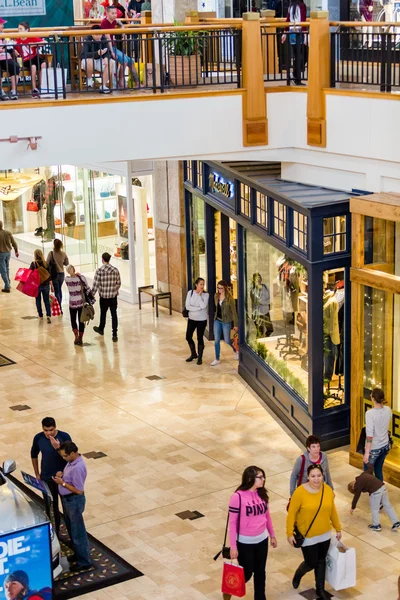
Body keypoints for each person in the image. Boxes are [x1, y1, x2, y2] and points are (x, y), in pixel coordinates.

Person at [287, 464, 341, 600]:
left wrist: (338, 528)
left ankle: (320, 589)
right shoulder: (299, 492)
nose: (316, 479)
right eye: (313, 476)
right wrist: (289, 533)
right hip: (308, 535)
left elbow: (332, 511)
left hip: (324, 533)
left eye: (319, 476)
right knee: (311, 562)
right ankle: (299, 574)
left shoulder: (327, 490)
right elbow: (291, 514)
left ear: (323, 476)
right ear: (308, 477)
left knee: (321, 561)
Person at [226, 466, 277, 600]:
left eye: (263, 477)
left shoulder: (262, 494)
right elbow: (232, 523)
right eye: (260, 477)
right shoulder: (237, 497)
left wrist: (272, 535)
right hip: (245, 542)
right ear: (250, 478)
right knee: (247, 572)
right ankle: (229, 587)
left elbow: (267, 516)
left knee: (260, 572)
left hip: (262, 540)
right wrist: (233, 546)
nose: (263, 479)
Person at [53, 441, 92, 571]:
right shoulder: (71, 462)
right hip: (67, 501)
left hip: (74, 501)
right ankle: (78, 554)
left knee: (78, 532)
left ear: (73, 453)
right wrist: (62, 475)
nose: (63, 458)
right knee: (71, 529)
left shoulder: (78, 467)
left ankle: (84, 561)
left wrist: (62, 483)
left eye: (65, 456)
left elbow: (79, 490)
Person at [31, 416, 72, 536]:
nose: (49, 433)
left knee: (66, 506)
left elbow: (70, 456)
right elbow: (34, 454)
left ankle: (71, 533)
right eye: (46, 430)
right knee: (50, 507)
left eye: (51, 430)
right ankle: (54, 533)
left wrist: (57, 447)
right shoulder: (38, 438)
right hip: (47, 477)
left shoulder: (64, 437)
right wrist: (37, 473)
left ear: (55, 427)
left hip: (63, 478)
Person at [349, 465, 400, 532]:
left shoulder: (357, 485)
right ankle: (396, 522)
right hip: (383, 488)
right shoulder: (363, 474)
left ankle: (376, 525)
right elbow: (371, 468)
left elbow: (356, 496)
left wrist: (353, 507)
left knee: (374, 509)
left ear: (353, 487)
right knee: (388, 506)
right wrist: (367, 462)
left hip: (376, 492)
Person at [101, 7, 139, 88]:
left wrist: (122, 28)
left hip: (113, 46)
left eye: (115, 13)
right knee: (124, 61)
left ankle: (137, 83)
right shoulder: (104, 22)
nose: (115, 15)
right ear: (107, 14)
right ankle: (121, 81)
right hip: (107, 48)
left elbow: (119, 22)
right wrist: (112, 52)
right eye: (113, 13)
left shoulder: (113, 21)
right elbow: (107, 39)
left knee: (130, 61)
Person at [364, 387, 392, 481]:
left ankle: (374, 493)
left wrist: (367, 452)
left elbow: (369, 435)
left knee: (368, 474)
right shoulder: (388, 410)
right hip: (385, 445)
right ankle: (380, 492)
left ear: (373, 398)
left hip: (374, 448)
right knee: (378, 470)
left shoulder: (370, 414)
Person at [93, 251, 121, 342]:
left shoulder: (99, 271)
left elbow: (95, 285)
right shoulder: (115, 270)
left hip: (103, 297)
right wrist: (114, 289)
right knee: (114, 315)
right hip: (113, 297)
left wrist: (91, 296)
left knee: (103, 313)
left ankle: (101, 329)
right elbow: (119, 283)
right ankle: (115, 334)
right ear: (109, 259)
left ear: (102, 259)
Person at [15, 22, 47, 98]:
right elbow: (14, 49)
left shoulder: (31, 37)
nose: (19, 30)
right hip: (26, 59)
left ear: (27, 30)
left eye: (21, 29)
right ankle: (34, 88)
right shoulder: (18, 40)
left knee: (43, 64)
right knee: (33, 67)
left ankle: (42, 87)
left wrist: (35, 45)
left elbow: (45, 42)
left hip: (34, 56)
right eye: (18, 29)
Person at [211, 280, 238, 366]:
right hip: (217, 320)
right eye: (218, 288)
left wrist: (236, 325)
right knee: (216, 340)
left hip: (226, 321)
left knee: (227, 340)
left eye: (221, 288)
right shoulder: (216, 296)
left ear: (225, 288)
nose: (219, 290)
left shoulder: (230, 299)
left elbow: (234, 312)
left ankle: (236, 350)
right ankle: (217, 358)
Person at [80, 24, 115, 94]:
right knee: (90, 61)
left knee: (111, 62)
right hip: (89, 60)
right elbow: (83, 54)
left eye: (100, 34)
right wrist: (97, 53)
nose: (99, 36)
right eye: (96, 35)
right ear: (92, 34)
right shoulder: (87, 40)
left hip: (100, 60)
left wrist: (106, 57)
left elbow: (108, 51)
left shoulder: (103, 39)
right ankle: (89, 79)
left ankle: (103, 85)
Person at [281, 0, 307, 86]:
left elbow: (288, 20)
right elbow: (303, 21)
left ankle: (295, 76)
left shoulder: (291, 6)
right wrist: (306, 36)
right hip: (299, 32)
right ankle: (296, 77)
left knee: (297, 55)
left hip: (292, 31)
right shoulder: (302, 6)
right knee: (304, 55)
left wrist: (285, 32)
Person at [185, 277, 209, 365]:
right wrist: (197, 308)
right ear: (196, 285)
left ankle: (200, 357)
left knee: (200, 338)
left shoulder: (206, 295)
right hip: (192, 319)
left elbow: (203, 306)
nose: (202, 286)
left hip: (202, 320)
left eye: (203, 284)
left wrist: (199, 296)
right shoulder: (190, 293)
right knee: (188, 336)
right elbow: (187, 307)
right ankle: (193, 354)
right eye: (201, 284)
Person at [65, 264, 89, 346]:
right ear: (74, 269)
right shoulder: (81, 278)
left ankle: (76, 337)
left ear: (68, 271)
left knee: (73, 320)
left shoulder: (67, 279)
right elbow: (87, 286)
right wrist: (79, 275)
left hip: (72, 303)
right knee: (81, 320)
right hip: (81, 302)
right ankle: (81, 338)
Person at [47, 238, 69, 312]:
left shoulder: (51, 253)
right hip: (62, 274)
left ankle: (59, 307)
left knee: (57, 291)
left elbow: (47, 263)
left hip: (54, 274)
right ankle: (60, 305)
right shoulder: (63, 254)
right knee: (59, 289)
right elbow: (67, 263)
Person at [0, 18, 20, 101]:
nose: (3, 25)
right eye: (1, 24)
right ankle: (1, 91)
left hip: (5, 57)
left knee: (15, 66)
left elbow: (9, 47)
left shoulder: (4, 35)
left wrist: (12, 50)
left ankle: (13, 91)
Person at [30, 249, 51, 323]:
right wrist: (50, 283)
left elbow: (30, 274)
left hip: (37, 285)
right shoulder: (46, 263)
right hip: (46, 285)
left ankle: (40, 314)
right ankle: (48, 315)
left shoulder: (33, 264)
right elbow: (49, 275)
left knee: (38, 300)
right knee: (46, 300)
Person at [250, 272, 273, 338]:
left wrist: (265, 302)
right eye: (257, 278)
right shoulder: (253, 290)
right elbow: (258, 301)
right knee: (260, 331)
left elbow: (269, 298)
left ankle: (264, 339)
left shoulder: (265, 287)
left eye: (259, 278)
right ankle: (260, 343)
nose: (258, 280)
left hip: (265, 312)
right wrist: (266, 302)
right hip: (257, 314)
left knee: (270, 329)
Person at [0, 219, 19, 292]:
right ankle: (8, 283)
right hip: (8, 253)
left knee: (3, 270)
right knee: (7, 267)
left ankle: (7, 286)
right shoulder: (8, 233)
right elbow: (14, 242)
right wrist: (16, 251)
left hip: (1, 254)